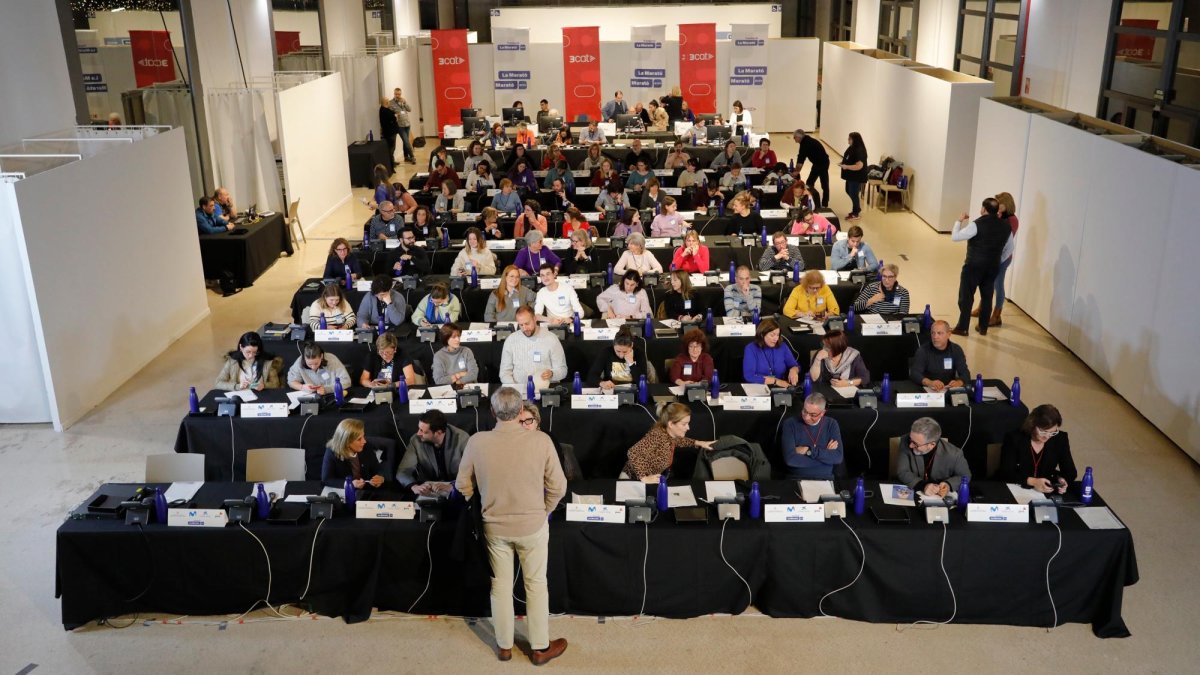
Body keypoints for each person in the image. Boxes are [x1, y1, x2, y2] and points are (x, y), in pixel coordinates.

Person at [455, 387, 568, 665]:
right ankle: (540, 647)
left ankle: (504, 646)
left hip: (494, 527)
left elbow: (462, 484)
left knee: (500, 587)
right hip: (532, 525)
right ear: (520, 412)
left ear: (492, 412)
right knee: (536, 585)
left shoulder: (477, 441)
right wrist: (545, 511)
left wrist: (479, 503)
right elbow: (559, 487)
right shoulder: (540, 440)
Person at [951, 197, 1010, 336]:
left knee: (966, 297)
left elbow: (955, 237)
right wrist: (997, 259)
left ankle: (962, 327)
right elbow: (1009, 248)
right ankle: (983, 328)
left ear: (983, 209)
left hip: (973, 266)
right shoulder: (1006, 226)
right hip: (993, 267)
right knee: (987, 297)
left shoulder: (976, 224)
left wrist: (959, 221)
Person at [623, 402, 715, 481]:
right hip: (632, 479)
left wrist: (699, 443)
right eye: (684, 424)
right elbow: (633, 452)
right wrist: (643, 477)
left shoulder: (669, 434)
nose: (688, 428)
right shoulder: (658, 435)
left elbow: (678, 441)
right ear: (671, 424)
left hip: (651, 477)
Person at [1000, 404, 1076, 494]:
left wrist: (1062, 479)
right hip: (1016, 486)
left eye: (1053, 432)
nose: (1047, 436)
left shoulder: (1060, 439)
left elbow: (1071, 472)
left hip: (1044, 490)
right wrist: (1033, 482)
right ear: (1032, 425)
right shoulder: (1014, 438)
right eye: (1043, 431)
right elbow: (1006, 472)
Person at [973, 191, 1020, 327]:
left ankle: (996, 315)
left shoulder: (1012, 220)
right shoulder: (999, 216)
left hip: (1003, 258)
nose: (998, 206)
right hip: (993, 255)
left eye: (1000, 204)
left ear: (1007, 205)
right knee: (987, 283)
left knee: (998, 285)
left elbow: (1004, 240)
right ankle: (982, 308)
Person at [399, 409, 469, 494]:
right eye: (419, 429)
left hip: (456, 488)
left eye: (423, 431)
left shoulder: (462, 439)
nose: (418, 433)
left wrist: (453, 486)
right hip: (429, 489)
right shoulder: (416, 440)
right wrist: (414, 486)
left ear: (438, 433)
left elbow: (472, 472)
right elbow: (403, 471)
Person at [896, 417, 971, 496]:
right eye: (911, 440)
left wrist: (948, 485)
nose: (910, 445)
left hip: (938, 495)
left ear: (931, 445)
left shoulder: (954, 454)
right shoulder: (905, 440)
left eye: (915, 444)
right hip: (915, 490)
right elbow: (902, 471)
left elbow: (965, 475)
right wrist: (923, 485)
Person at [500, 306, 568, 388]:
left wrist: (552, 374)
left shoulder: (551, 338)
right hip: (518, 390)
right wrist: (514, 387)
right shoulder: (511, 340)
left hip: (545, 390)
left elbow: (563, 370)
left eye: (527, 323)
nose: (524, 328)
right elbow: (504, 372)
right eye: (521, 325)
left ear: (535, 319)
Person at [780, 394, 844, 479]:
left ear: (822, 413)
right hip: (796, 477)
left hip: (825, 478)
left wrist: (808, 450)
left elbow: (837, 458)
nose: (806, 417)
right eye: (804, 411)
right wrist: (826, 457)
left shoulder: (831, 424)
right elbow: (790, 460)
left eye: (813, 415)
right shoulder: (790, 424)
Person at [321, 419, 386, 490]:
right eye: (359, 439)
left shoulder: (366, 447)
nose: (364, 441)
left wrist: (380, 478)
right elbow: (326, 480)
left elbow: (377, 469)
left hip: (367, 490)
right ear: (346, 441)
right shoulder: (332, 452)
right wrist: (349, 484)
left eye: (363, 436)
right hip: (346, 492)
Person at [909, 320, 970, 391]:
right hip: (928, 389)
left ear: (949, 334)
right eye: (933, 333)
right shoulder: (923, 350)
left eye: (939, 333)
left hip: (948, 389)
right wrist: (929, 382)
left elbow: (965, 373)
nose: (935, 337)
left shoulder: (956, 350)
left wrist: (959, 382)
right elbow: (914, 373)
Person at [588, 326, 654, 389]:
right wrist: (601, 383)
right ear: (613, 345)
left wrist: (631, 363)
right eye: (618, 351)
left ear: (631, 346)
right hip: (611, 390)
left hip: (634, 390)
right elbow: (591, 376)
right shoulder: (606, 352)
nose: (621, 355)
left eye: (625, 352)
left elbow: (642, 382)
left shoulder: (639, 353)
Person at [215, 331, 282, 391]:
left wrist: (264, 385)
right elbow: (218, 383)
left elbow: (275, 384)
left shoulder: (267, 362)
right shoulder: (232, 361)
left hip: (261, 396)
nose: (251, 355)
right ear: (241, 347)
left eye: (255, 352)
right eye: (248, 352)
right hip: (240, 395)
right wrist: (237, 386)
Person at [743, 318, 800, 386]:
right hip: (759, 386)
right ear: (762, 334)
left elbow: (795, 365)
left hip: (780, 387)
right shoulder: (751, 348)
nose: (776, 338)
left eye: (778, 335)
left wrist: (794, 370)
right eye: (772, 335)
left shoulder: (782, 346)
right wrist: (775, 381)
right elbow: (749, 376)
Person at [287, 342, 352, 393]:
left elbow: (346, 381)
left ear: (321, 356)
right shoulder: (299, 361)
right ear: (304, 358)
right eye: (309, 364)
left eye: (316, 363)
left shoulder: (332, 359)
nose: (313, 367)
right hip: (311, 395)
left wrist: (327, 389)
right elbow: (291, 381)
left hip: (332, 394)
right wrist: (302, 387)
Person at [792, 129, 831, 209]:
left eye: (794, 137)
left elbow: (801, 160)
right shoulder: (806, 140)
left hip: (822, 163)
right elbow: (801, 157)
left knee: (820, 183)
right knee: (813, 183)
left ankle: (824, 204)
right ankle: (815, 200)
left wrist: (796, 172)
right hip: (818, 163)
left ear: (798, 137)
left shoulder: (805, 143)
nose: (794, 139)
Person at [838, 132, 869, 220]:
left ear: (855, 140)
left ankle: (856, 212)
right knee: (848, 190)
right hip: (851, 175)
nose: (848, 141)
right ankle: (857, 208)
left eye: (849, 139)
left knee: (853, 194)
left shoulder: (859, 150)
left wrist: (846, 166)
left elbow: (859, 166)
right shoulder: (852, 147)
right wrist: (843, 163)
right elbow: (849, 158)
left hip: (856, 176)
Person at [389, 87, 416, 163]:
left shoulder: (403, 101)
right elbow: (390, 114)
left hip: (407, 124)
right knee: (407, 141)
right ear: (394, 94)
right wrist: (395, 114)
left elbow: (409, 109)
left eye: (399, 94)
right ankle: (412, 156)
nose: (398, 95)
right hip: (400, 126)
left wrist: (405, 103)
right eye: (396, 94)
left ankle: (406, 156)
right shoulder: (391, 103)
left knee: (405, 141)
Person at [379, 96, 400, 161]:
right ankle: (391, 164)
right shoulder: (384, 111)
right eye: (388, 101)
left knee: (392, 148)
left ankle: (392, 162)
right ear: (386, 102)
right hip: (390, 133)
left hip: (390, 132)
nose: (389, 103)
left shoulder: (384, 109)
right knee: (391, 148)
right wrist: (395, 116)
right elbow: (393, 118)